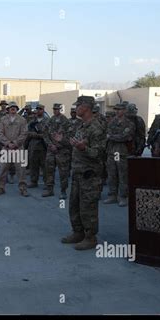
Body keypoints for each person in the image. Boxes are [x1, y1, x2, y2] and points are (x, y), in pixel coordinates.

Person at [62, 96, 106, 250]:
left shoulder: (96, 128)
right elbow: (74, 143)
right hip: (78, 172)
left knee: (88, 207)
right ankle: (78, 232)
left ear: (86, 107)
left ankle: (90, 237)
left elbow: (99, 153)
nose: (76, 109)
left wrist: (83, 148)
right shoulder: (82, 126)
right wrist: (64, 141)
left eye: (78, 106)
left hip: (90, 174)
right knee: (74, 205)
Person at [0, 102, 29, 197]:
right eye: (11, 107)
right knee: (3, 169)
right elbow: (0, 133)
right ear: (8, 109)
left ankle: (23, 189)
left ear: (17, 109)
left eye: (14, 107)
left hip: (18, 148)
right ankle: (0, 188)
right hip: (6, 148)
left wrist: (16, 143)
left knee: (21, 170)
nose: (13, 109)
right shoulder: (3, 120)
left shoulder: (22, 120)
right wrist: (8, 143)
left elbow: (24, 133)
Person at [104, 103, 135, 207]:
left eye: (120, 109)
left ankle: (123, 197)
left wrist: (112, 136)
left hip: (122, 152)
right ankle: (112, 195)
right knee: (112, 175)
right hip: (111, 151)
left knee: (123, 175)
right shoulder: (112, 122)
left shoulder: (129, 123)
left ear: (124, 110)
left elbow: (125, 137)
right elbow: (107, 134)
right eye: (116, 109)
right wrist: (115, 136)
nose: (117, 111)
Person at [43, 103, 71, 199]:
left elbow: (68, 136)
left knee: (63, 172)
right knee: (49, 170)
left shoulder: (65, 121)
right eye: (54, 109)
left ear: (60, 110)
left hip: (62, 150)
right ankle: (49, 189)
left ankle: (63, 191)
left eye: (57, 109)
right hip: (51, 149)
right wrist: (50, 144)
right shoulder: (50, 120)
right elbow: (45, 134)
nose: (55, 111)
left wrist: (58, 145)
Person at [26, 104, 48, 188]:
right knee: (33, 165)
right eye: (37, 109)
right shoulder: (32, 122)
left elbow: (50, 133)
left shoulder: (47, 121)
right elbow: (27, 132)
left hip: (43, 146)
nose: (39, 110)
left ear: (43, 110)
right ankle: (33, 181)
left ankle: (47, 183)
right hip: (33, 146)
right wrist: (33, 134)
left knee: (45, 166)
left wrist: (41, 136)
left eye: (40, 109)